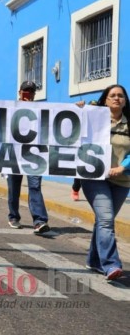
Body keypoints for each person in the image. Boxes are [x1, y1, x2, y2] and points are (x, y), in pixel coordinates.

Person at [79, 84, 130, 281]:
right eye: (112, 95)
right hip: (94, 179)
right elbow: (67, 129)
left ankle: (93, 260)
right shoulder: (92, 118)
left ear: (125, 101)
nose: (117, 98)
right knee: (107, 219)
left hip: (122, 180)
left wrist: (123, 167)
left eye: (120, 96)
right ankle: (111, 264)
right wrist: (77, 111)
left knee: (103, 221)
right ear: (105, 100)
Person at [6, 81, 50, 235]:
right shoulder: (11, 108)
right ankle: (13, 216)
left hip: (34, 155)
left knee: (35, 186)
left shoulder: (40, 110)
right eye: (26, 91)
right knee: (14, 188)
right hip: (14, 155)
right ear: (20, 92)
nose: (29, 94)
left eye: (32, 91)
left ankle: (39, 221)